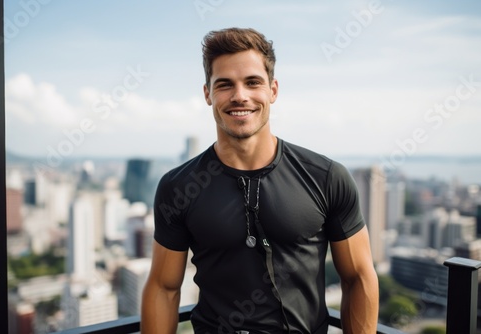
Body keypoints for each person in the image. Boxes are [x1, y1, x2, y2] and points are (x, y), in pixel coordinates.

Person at [141, 27, 379, 334]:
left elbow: (359, 277)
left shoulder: (327, 177)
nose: (240, 96)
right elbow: (163, 288)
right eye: (225, 84)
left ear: (273, 90)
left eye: (253, 82)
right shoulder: (178, 187)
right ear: (207, 94)